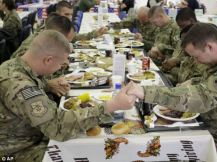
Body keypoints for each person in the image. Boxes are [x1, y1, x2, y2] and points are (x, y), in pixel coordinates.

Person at [0, 30, 136, 161]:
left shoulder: (15, 65)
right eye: (60, 64)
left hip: (29, 135)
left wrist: (47, 84)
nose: (60, 68)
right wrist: (111, 106)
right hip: (16, 152)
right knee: (89, 152)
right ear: (48, 60)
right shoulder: (20, 86)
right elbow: (58, 128)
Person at [128, 23, 217, 162]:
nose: (196, 61)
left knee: (161, 151)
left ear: (210, 46)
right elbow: (216, 84)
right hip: (211, 129)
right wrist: (194, 81)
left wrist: (144, 92)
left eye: (196, 57)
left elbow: (201, 98)